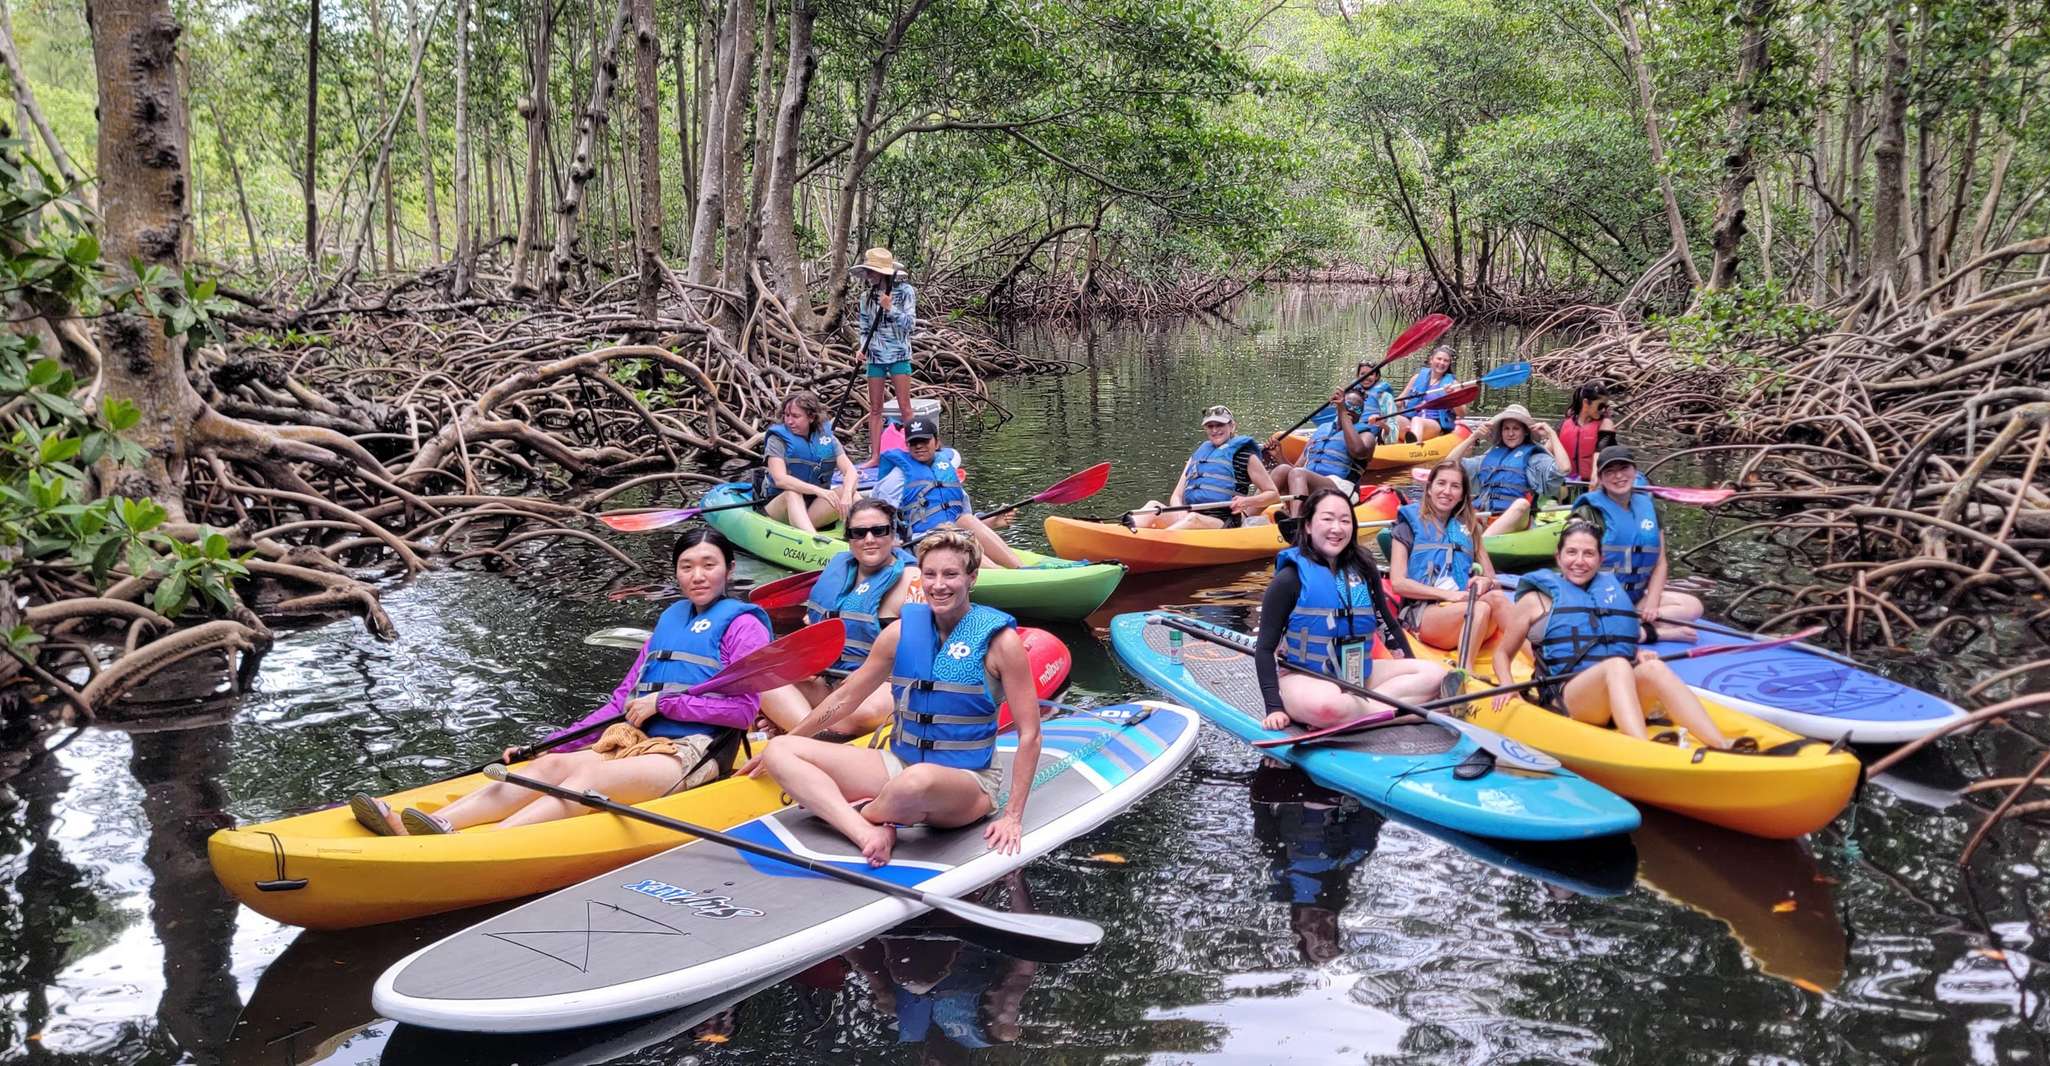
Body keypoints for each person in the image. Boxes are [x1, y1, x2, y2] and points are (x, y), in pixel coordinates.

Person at [348, 528, 770, 835]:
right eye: (687, 566)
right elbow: (620, 703)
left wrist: (666, 705)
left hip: (694, 753)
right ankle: (440, 824)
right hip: (635, 743)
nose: (698, 576)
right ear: (676, 573)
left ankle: (484, 845)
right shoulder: (670, 618)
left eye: (709, 565)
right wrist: (549, 744)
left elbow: (743, 711)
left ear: (729, 570)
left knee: (586, 783)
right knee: (548, 767)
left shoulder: (743, 624)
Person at [750, 527, 1044, 867]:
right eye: (930, 574)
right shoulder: (900, 633)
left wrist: (1013, 816)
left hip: (967, 780)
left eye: (951, 574)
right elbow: (847, 696)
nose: (938, 585)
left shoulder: (1001, 643)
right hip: (900, 764)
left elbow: (1030, 734)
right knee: (780, 750)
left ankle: (868, 810)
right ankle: (868, 831)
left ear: (972, 577)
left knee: (916, 782)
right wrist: (793, 737)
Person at [1490, 522, 1739, 749]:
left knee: (1654, 668)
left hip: (1617, 691)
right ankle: (1643, 749)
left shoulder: (1608, 593)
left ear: (1600, 560)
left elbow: (1613, 641)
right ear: (1558, 556)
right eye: (1572, 552)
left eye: (1588, 554)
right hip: (1569, 698)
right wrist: (1506, 683)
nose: (1579, 561)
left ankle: (1721, 744)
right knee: (1617, 666)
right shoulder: (1535, 601)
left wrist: (1638, 655)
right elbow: (1502, 653)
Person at [1254, 488, 1449, 731]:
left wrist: (1412, 672)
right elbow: (1264, 649)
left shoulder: (1362, 572)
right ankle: (1408, 713)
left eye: (1345, 520)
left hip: (1356, 673)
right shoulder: (1290, 579)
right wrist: (1274, 708)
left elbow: (1388, 626)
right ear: (1308, 526)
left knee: (1434, 674)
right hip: (1305, 677)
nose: (1337, 528)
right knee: (1328, 705)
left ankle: (1358, 715)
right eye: (1327, 519)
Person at [758, 497, 920, 735]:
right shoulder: (838, 569)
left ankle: (797, 726)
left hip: (881, 685)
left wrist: (865, 678)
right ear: (849, 540)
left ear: (894, 536)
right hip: (830, 681)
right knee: (761, 680)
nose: (869, 539)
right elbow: (812, 630)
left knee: (866, 712)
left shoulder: (913, 581)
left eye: (879, 531)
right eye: (859, 533)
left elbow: (924, 652)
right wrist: (805, 663)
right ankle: (815, 734)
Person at [1571, 445, 1702, 641]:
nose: (1618, 476)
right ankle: (1653, 632)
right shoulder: (1589, 514)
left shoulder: (1648, 508)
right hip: (1598, 599)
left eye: (1624, 468)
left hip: (1635, 598)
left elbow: (1660, 563)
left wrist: (1652, 602)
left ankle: (1629, 624)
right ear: (1601, 478)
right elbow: (1574, 565)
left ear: (1635, 471)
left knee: (1694, 607)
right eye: (1610, 471)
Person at [1387, 460, 1514, 660]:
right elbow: (1398, 584)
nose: (1447, 491)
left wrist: (1484, 581)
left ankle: (1538, 661)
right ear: (1429, 488)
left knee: (1497, 599)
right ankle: (1465, 672)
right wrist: (1447, 595)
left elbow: (1492, 580)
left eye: (1455, 486)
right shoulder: (1406, 528)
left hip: (1467, 610)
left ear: (1462, 494)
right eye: (1441, 483)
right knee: (1479, 607)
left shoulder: (1469, 528)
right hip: (1425, 613)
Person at [874, 416, 1023, 568]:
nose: (919, 446)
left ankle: (1020, 568)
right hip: (920, 541)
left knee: (966, 520)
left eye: (924, 441)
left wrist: (992, 521)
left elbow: (963, 517)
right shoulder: (896, 478)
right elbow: (879, 514)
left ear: (936, 442)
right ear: (907, 445)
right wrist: (890, 540)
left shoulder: (946, 471)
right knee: (948, 533)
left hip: (955, 534)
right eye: (913, 442)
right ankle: (1002, 575)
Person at [1131, 405, 1280, 530]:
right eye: (1210, 426)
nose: (1215, 430)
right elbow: (1176, 495)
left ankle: (1155, 543)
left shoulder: (1247, 457)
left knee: (1193, 519)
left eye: (1220, 425)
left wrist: (1246, 502)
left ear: (1232, 426)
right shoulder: (1198, 457)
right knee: (1153, 506)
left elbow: (1273, 494)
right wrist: (1180, 510)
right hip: (1189, 515)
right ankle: (1128, 533)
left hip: (1223, 521)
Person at [1442, 403, 1570, 535]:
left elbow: (1564, 469)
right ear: (1501, 432)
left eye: (1516, 429)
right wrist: (1472, 437)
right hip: (1484, 516)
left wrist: (1552, 435)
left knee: (1521, 504)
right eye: (1506, 429)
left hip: (1515, 519)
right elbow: (1448, 465)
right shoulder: (1488, 457)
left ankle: (1481, 544)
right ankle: (1474, 539)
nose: (1510, 433)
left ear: (1525, 432)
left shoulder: (1534, 459)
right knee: (1452, 500)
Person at [1266, 389, 1378, 518]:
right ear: (1337, 404)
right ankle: (1244, 515)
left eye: (1357, 409)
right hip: (1310, 483)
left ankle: (1296, 521)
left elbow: (1358, 451)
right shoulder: (1321, 431)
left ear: (1361, 413)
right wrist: (1279, 456)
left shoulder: (1366, 435)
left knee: (1299, 473)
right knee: (1282, 470)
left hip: (1341, 489)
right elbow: (1295, 470)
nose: (1352, 410)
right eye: (1348, 405)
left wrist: (1343, 412)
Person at [854, 246, 918, 465]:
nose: (869, 275)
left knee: (905, 407)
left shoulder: (906, 291)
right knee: (875, 409)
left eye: (872, 271)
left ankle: (913, 450)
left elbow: (910, 325)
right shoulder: (866, 296)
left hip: (899, 354)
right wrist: (861, 348)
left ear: (882, 272)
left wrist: (890, 308)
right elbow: (864, 327)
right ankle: (875, 456)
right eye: (868, 271)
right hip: (875, 357)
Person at [762, 389, 860, 533]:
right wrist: (818, 490)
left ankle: (870, 530)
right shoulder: (776, 440)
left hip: (812, 507)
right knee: (792, 493)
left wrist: (846, 493)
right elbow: (780, 479)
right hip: (780, 505)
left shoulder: (827, 440)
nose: (789, 421)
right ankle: (813, 540)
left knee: (852, 491)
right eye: (786, 415)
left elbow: (850, 471)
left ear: (811, 417)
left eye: (795, 416)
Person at [1397, 345, 1464, 442]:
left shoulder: (1453, 385)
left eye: (1446, 361)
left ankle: (1413, 448)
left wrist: (1452, 396)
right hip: (1412, 422)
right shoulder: (1416, 378)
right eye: (1439, 359)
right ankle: (1382, 446)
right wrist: (1384, 403)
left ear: (1449, 364)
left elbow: (1462, 413)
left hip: (1435, 425)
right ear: (1431, 360)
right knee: (1394, 419)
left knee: (1417, 420)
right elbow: (1399, 402)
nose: (1442, 363)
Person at [1559, 380, 1616, 482]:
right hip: (1569, 481)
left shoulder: (1606, 424)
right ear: (1586, 403)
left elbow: (1599, 453)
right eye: (1601, 406)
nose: (1603, 410)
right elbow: (1547, 449)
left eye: (1606, 406)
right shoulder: (1565, 424)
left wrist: (1595, 476)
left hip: (1594, 481)